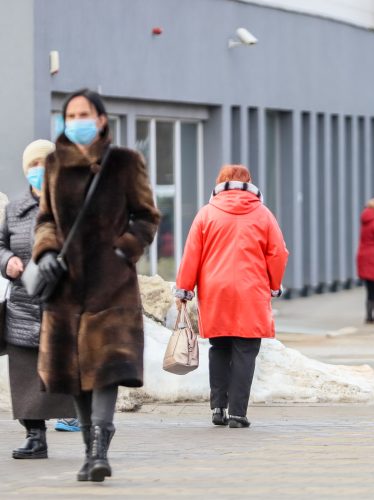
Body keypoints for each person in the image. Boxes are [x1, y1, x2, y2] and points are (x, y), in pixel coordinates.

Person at [31, 89, 160, 481]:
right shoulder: (54, 163)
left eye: (84, 113)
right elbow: (46, 220)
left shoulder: (124, 162)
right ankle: (89, 451)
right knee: (73, 373)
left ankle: (100, 451)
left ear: (101, 119)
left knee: (106, 368)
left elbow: (147, 215)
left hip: (111, 286)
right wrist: (47, 253)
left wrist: (123, 252)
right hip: (66, 287)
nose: (76, 120)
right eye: (70, 114)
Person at [175, 165, 288, 428]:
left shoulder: (207, 213)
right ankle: (238, 413)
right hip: (251, 289)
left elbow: (192, 253)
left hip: (215, 291)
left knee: (219, 347)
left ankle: (218, 407)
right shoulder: (263, 214)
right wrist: (274, 284)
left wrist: (184, 289)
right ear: (249, 183)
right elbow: (278, 252)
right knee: (246, 350)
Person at [0, 139, 77, 459]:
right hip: (22, 305)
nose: (39, 171)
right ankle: (34, 436)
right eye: (33, 165)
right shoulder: (14, 210)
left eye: (45, 164)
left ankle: (86, 425)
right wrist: (7, 261)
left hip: (60, 304)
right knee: (25, 376)